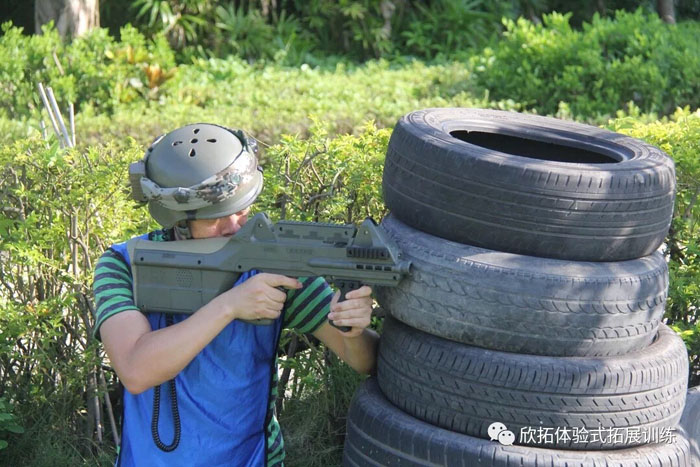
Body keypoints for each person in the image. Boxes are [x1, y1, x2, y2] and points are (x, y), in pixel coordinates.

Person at [92, 123, 378, 466]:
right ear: (178, 220)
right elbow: (136, 370)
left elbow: (362, 360)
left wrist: (352, 326)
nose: (234, 227)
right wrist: (229, 306)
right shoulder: (124, 265)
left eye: (241, 209)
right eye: (216, 218)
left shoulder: (274, 262)